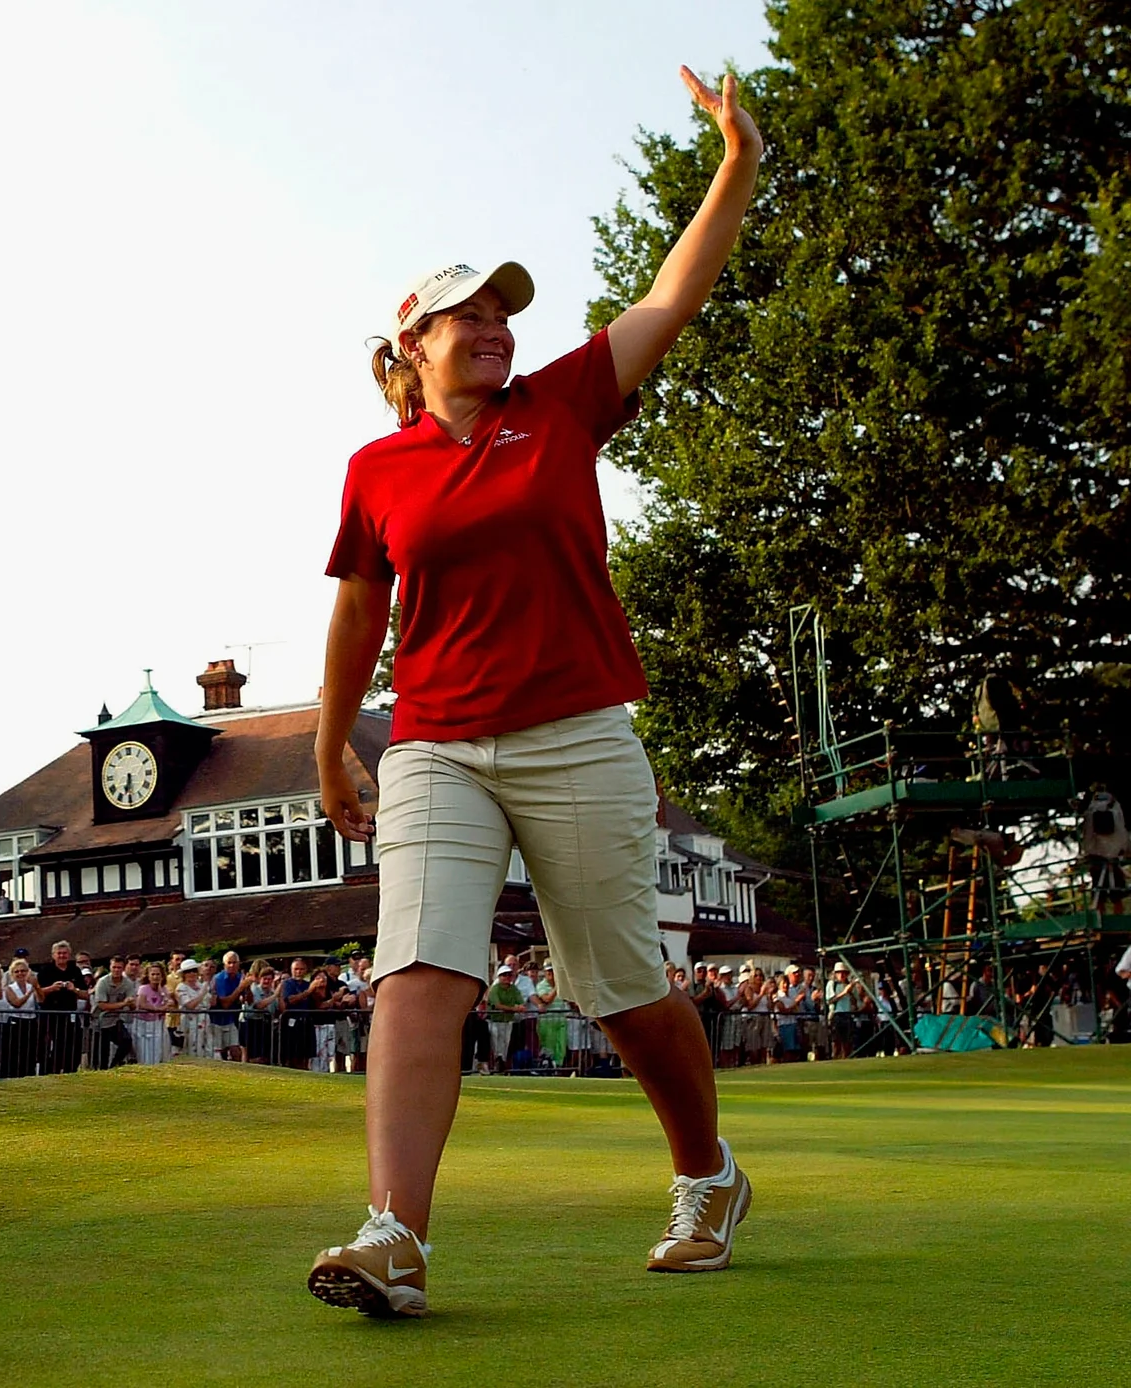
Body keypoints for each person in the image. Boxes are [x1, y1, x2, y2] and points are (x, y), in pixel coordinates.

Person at [308, 66, 763, 1316]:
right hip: (438, 745)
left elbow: (675, 292)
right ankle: (394, 1231)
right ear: (413, 345)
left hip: (577, 736)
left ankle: (706, 1175)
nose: (496, 326)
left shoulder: (561, 406)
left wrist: (736, 163)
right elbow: (359, 609)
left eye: (505, 311)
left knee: (623, 985)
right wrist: (331, 743)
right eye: (467, 316)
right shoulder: (377, 466)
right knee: (417, 968)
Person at [34, 940, 88, 1076]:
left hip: (70, 1014)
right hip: (51, 1014)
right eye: (59, 953)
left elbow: (85, 994)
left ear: (69, 955)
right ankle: (50, 1072)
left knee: (74, 1045)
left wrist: (73, 989)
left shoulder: (75, 970)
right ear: (53, 955)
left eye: (65, 953)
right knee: (53, 1046)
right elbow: (37, 993)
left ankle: (71, 1073)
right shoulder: (45, 970)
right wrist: (52, 988)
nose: (62, 956)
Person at [90, 956, 137, 1069]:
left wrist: (131, 1003)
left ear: (123, 968)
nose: (116, 970)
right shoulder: (103, 982)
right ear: (110, 967)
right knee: (102, 1054)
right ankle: (100, 1072)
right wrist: (123, 1004)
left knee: (126, 1042)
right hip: (99, 1022)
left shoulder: (128, 983)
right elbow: (102, 1005)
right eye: (114, 967)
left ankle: (114, 1066)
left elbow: (133, 1006)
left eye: (119, 967)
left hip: (114, 1021)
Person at [211, 951, 249, 1062]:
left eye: (234, 963)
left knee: (235, 1050)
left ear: (238, 964)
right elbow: (225, 1003)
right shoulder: (219, 979)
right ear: (224, 964)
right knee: (220, 1052)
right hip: (216, 1020)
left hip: (231, 1020)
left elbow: (248, 1000)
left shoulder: (240, 977)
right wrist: (240, 988)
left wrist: (248, 987)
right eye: (229, 963)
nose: (232, 965)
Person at [131, 963, 170, 1065]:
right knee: (143, 1051)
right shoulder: (143, 988)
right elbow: (142, 1004)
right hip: (142, 1023)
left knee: (156, 1050)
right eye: (153, 974)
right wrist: (158, 1009)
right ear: (148, 976)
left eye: (158, 974)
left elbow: (168, 1003)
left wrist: (161, 990)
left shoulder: (164, 989)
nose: (155, 977)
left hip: (156, 1023)